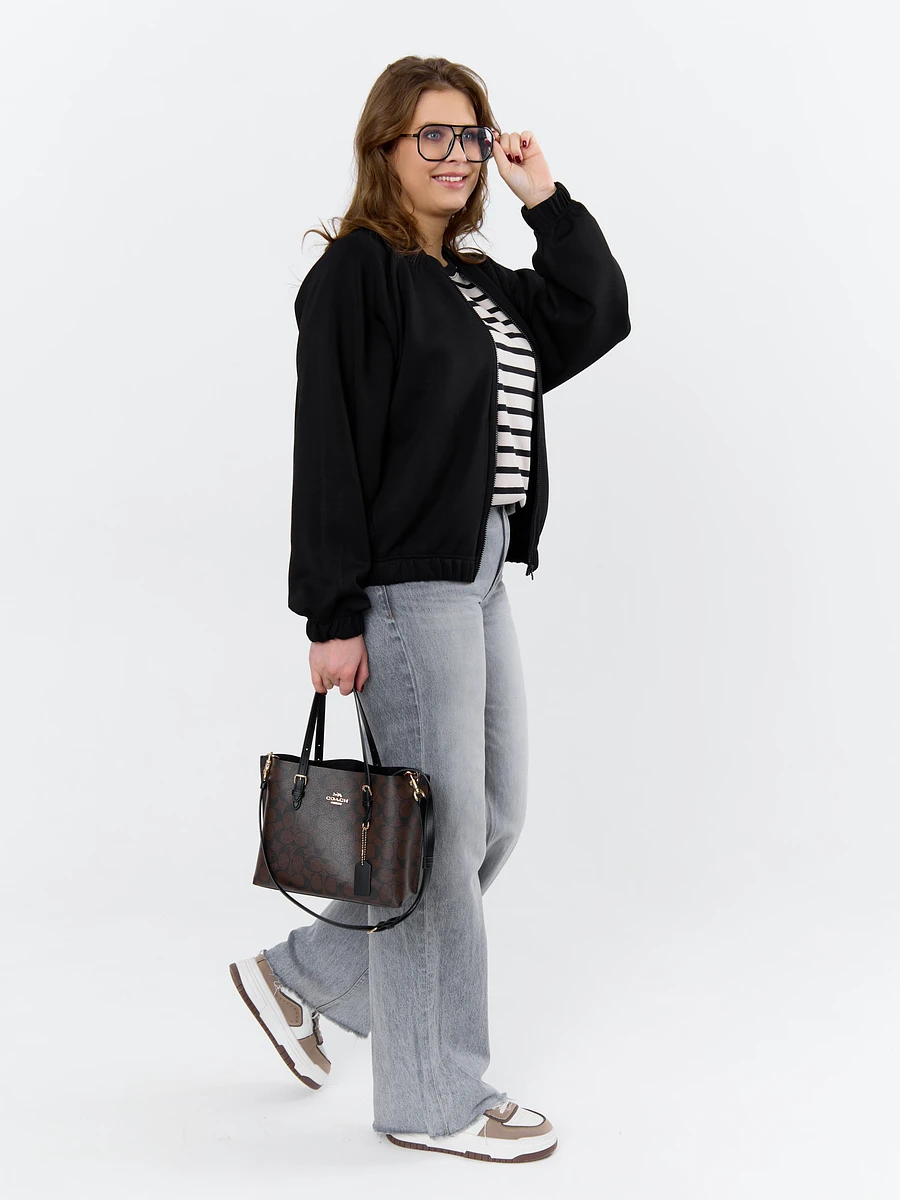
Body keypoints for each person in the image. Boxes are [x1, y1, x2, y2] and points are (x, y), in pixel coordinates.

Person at [229, 55, 630, 1164]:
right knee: (441, 838)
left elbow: (597, 314)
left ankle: (301, 980)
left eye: (472, 136)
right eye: (434, 137)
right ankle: (431, 1095)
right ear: (386, 149)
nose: (457, 157)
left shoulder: (479, 283)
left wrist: (546, 198)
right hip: (407, 584)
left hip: (481, 570)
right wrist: (331, 614)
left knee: (486, 817)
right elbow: (329, 444)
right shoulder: (359, 272)